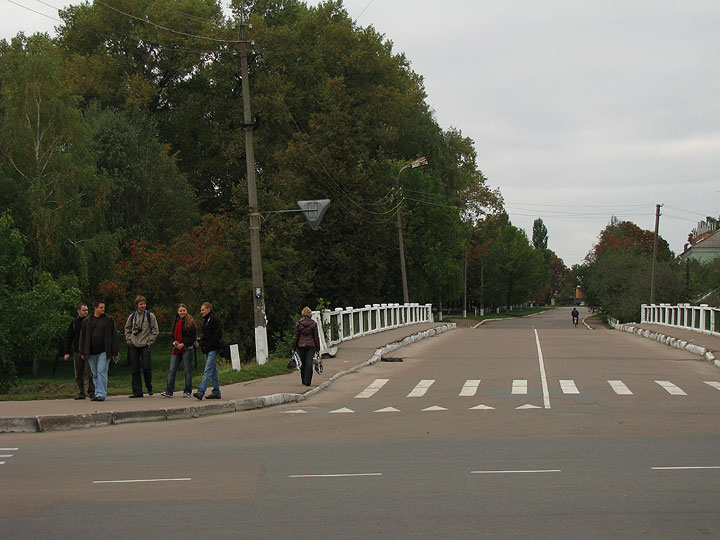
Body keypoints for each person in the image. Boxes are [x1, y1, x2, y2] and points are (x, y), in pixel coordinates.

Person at [79, 300, 120, 402]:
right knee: (94, 373)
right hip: (91, 351)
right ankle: (97, 393)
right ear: (95, 308)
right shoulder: (87, 321)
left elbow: (114, 335)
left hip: (104, 351)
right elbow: (83, 337)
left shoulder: (109, 319)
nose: (103, 309)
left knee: (101, 371)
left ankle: (101, 393)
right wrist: (82, 352)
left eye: (103, 307)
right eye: (101, 307)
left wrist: (115, 351)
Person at [124, 295, 159, 398]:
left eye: (144, 304)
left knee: (146, 367)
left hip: (145, 344)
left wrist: (149, 342)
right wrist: (129, 340)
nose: (142, 306)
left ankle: (149, 386)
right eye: (141, 304)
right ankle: (137, 391)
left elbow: (155, 330)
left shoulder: (150, 316)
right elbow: (127, 329)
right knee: (135, 369)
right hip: (134, 344)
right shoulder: (132, 316)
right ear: (137, 305)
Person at [161, 304, 197, 398]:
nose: (182, 312)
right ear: (177, 312)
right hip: (176, 349)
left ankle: (187, 391)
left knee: (187, 370)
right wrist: (175, 342)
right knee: (172, 369)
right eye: (180, 311)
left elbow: (193, 337)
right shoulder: (176, 321)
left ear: (186, 311)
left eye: (183, 310)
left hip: (187, 349)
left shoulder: (190, 322)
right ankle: (169, 391)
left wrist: (184, 344)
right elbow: (172, 334)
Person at [63, 303, 95, 400]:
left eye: (87, 310)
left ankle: (92, 391)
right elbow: (69, 337)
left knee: (90, 373)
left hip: (89, 351)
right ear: (78, 311)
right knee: (78, 373)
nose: (86, 312)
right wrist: (66, 352)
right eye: (84, 310)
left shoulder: (91, 321)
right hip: (77, 351)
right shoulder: (74, 323)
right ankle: (81, 392)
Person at [194, 302, 223, 400]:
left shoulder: (214, 320)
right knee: (213, 371)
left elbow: (218, 334)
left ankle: (200, 391)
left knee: (207, 370)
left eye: (203, 309)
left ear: (208, 309)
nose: (201, 312)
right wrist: (200, 342)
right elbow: (206, 336)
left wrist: (210, 344)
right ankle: (216, 392)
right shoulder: (206, 321)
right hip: (207, 349)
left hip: (213, 349)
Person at [291, 307, 320, 387]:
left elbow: (296, 336)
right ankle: (308, 380)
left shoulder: (298, 324)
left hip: (301, 345)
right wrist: (318, 349)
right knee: (309, 362)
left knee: (303, 362)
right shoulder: (313, 324)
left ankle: (303, 379)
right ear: (310, 314)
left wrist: (293, 348)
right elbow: (316, 337)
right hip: (311, 345)